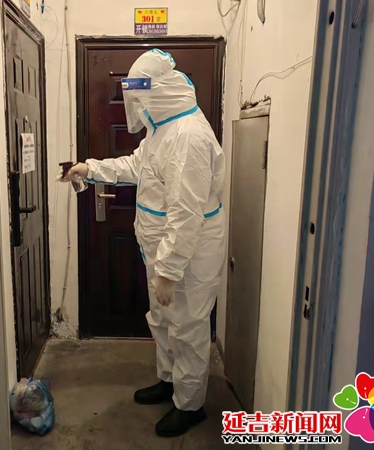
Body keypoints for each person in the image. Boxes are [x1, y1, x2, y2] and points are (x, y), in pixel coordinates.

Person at [61, 48, 225, 438]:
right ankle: (169, 382)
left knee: (187, 327)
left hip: (187, 257)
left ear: (158, 91)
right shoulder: (163, 130)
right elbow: (137, 166)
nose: (135, 105)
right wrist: (90, 168)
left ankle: (190, 405)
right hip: (164, 251)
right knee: (164, 320)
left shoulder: (188, 137)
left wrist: (168, 271)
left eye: (139, 95)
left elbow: (186, 215)